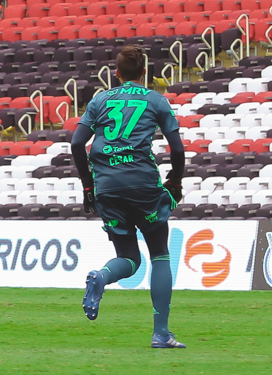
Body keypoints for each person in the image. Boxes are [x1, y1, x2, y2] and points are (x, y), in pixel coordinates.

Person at [70, 45, 187, 349]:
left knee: (129, 258)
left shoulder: (100, 100)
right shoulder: (155, 100)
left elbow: (77, 143)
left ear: (117, 73)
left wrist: (88, 186)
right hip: (144, 185)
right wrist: (175, 181)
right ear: (144, 73)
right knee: (159, 253)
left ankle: (101, 275)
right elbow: (177, 149)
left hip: (107, 186)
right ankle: (161, 333)